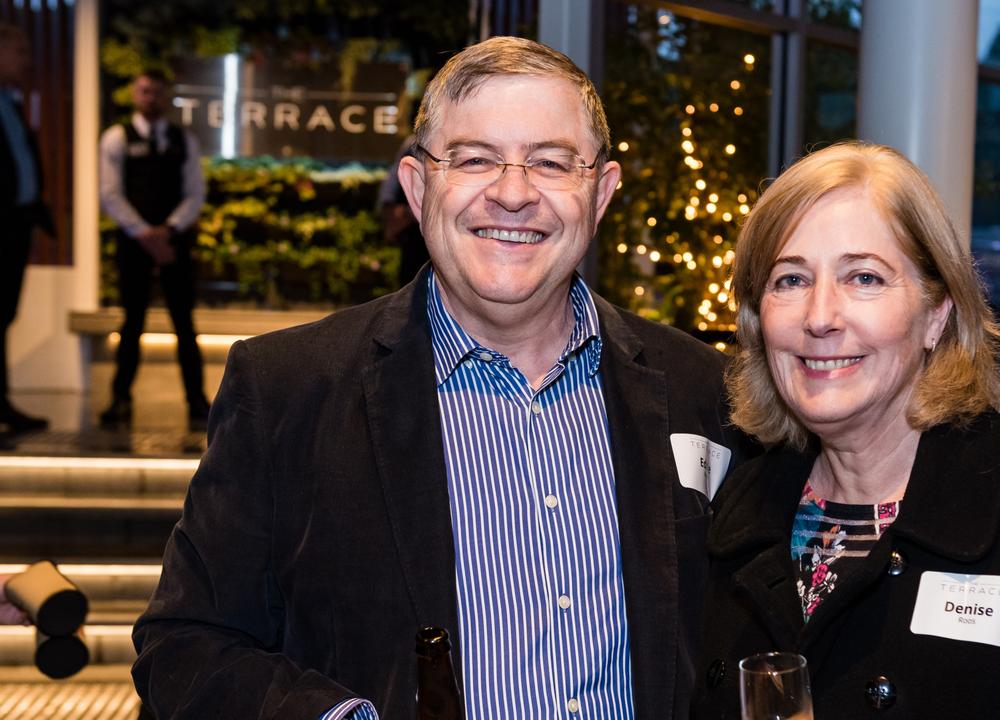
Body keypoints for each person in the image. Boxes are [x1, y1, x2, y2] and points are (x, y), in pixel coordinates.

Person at [133, 37, 751, 719]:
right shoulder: (287, 389)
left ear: (599, 194)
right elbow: (185, 648)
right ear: (418, 186)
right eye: (475, 158)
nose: (513, 194)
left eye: (550, 162)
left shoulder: (700, 390)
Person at [692, 142, 1000, 718]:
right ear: (759, 318)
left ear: (936, 314)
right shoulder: (734, 507)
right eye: (790, 280)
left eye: (864, 278)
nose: (820, 317)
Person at [98, 69, 209, 431]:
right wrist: (145, 233)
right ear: (135, 94)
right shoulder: (116, 138)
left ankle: (196, 401)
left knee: (184, 323)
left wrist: (170, 230)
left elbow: (195, 191)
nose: (151, 98)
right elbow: (110, 194)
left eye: (158, 92)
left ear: (167, 97)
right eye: (146, 91)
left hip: (175, 242)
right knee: (132, 323)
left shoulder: (183, 139)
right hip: (133, 244)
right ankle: (120, 398)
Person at [0, 21, 51, 433]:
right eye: (19, 53)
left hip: (14, 225)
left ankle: (2, 404)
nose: (27, 62)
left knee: (3, 315)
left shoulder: (9, 101)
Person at [377, 134, 428, 288]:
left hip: (426, 217)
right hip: (413, 223)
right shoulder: (415, 142)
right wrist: (389, 209)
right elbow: (392, 178)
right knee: (411, 273)